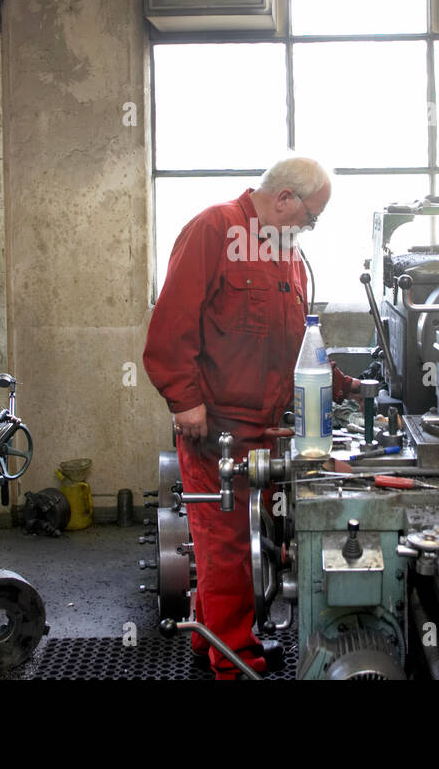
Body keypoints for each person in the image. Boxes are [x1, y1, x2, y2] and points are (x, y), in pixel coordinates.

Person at [143, 156, 361, 679]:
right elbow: (172, 323)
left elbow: (295, 342)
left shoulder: (285, 253)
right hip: (214, 429)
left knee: (251, 543)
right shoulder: (213, 230)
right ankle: (234, 661)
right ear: (284, 198)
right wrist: (184, 398)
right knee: (226, 551)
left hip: (264, 429)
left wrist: (343, 384)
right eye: (309, 217)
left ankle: (212, 637)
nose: (307, 229)